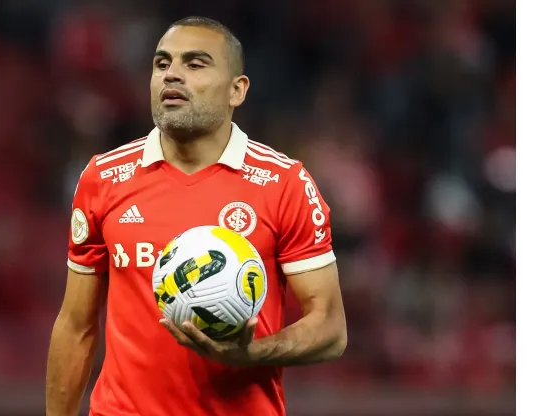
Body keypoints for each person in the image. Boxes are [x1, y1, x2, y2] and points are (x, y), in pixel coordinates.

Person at [46, 16, 347, 416]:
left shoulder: (284, 183)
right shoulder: (104, 177)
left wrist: (252, 353)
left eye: (195, 63)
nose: (172, 74)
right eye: (161, 64)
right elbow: (75, 325)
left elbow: (330, 329)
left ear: (236, 91)